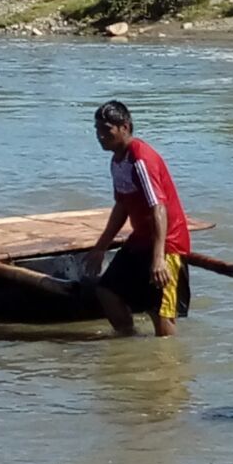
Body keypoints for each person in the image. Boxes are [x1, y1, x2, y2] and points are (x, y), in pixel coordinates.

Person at [84, 101, 192, 338]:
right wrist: (101, 247)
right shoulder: (117, 161)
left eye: (106, 130)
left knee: (160, 312)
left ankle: (167, 357)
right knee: (107, 291)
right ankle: (130, 340)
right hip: (140, 239)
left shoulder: (141, 159)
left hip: (168, 243)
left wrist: (158, 259)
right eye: (97, 130)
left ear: (125, 127)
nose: (100, 136)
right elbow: (122, 206)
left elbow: (158, 208)